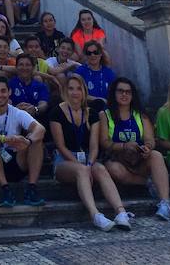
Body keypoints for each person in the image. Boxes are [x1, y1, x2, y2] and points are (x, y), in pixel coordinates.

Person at [49, 75, 131, 232]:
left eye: (78, 88)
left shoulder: (91, 114)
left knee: (100, 168)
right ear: (65, 91)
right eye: (71, 88)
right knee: (81, 170)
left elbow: (94, 146)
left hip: (86, 157)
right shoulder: (56, 112)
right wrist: (82, 166)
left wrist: (89, 164)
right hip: (64, 160)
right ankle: (95, 214)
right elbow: (60, 146)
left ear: (84, 91)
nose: (75, 92)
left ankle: (121, 212)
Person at [99, 77, 170, 220]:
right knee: (113, 169)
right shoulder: (105, 115)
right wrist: (124, 145)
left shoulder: (141, 115)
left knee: (156, 155)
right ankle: (148, 183)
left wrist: (147, 148)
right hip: (118, 159)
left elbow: (150, 139)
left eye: (128, 92)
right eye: (120, 91)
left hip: (139, 158)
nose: (124, 95)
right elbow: (104, 142)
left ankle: (165, 203)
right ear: (114, 93)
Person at [0, 76, 46, 207]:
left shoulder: (17, 112)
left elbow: (40, 128)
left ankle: (32, 189)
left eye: (3, 91)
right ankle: (5, 190)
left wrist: (27, 141)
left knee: (36, 140)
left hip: (15, 162)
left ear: (9, 92)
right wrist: (5, 139)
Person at [74, 40, 116, 109]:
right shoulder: (80, 71)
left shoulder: (108, 73)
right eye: (89, 53)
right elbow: (76, 93)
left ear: (100, 54)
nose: (92, 55)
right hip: (86, 109)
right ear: (86, 55)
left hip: (107, 110)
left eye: (95, 52)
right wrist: (98, 100)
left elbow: (114, 93)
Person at [9, 54, 50, 122]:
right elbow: (6, 103)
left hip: (35, 120)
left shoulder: (40, 86)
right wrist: (15, 109)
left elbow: (44, 104)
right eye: (21, 64)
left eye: (27, 65)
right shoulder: (9, 84)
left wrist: (35, 109)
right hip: (14, 119)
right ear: (16, 67)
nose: (24, 68)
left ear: (33, 67)